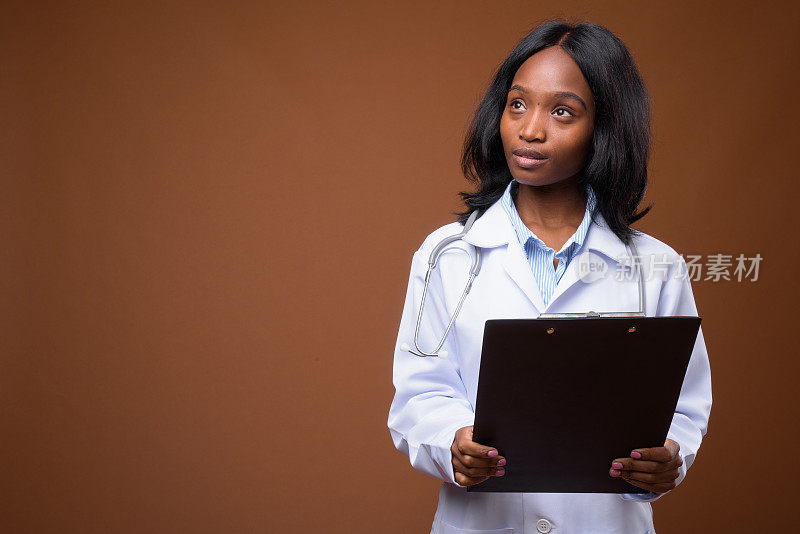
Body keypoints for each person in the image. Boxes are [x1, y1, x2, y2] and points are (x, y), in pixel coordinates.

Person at [387, 19, 712, 534]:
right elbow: (419, 392)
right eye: (518, 104)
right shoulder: (445, 255)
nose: (530, 129)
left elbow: (683, 404)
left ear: (604, 127)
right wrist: (453, 442)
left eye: (562, 111)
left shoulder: (658, 266)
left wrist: (669, 457)